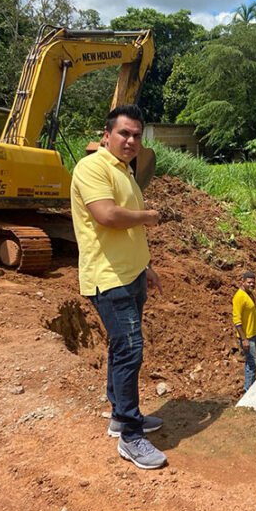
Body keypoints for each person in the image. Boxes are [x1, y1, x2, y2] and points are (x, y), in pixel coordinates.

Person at [70, 104, 167, 470]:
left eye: (137, 136)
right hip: (108, 278)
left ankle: (120, 417)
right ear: (107, 135)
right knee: (130, 350)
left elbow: (130, 232)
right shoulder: (92, 168)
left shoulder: (124, 170)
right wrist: (149, 216)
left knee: (120, 348)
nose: (130, 141)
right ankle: (130, 435)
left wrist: (147, 268)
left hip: (131, 273)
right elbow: (108, 216)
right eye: (124, 133)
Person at [232, 271, 256, 393]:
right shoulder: (239, 297)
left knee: (251, 362)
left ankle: (250, 386)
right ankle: (248, 390)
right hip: (247, 337)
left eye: (253, 283)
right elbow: (236, 320)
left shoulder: (250, 295)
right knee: (252, 362)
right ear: (242, 282)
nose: (251, 285)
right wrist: (243, 339)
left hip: (254, 334)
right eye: (249, 282)